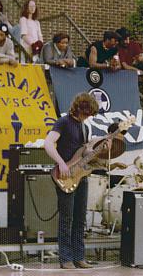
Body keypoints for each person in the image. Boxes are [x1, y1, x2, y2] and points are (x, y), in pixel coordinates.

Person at [42, 93, 99, 269]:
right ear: (80, 108)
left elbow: (85, 153)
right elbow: (48, 143)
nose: (88, 117)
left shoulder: (85, 128)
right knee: (67, 218)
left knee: (80, 218)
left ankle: (78, 256)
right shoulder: (63, 122)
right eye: (87, 113)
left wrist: (102, 147)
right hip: (64, 175)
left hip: (81, 176)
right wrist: (61, 163)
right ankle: (65, 258)